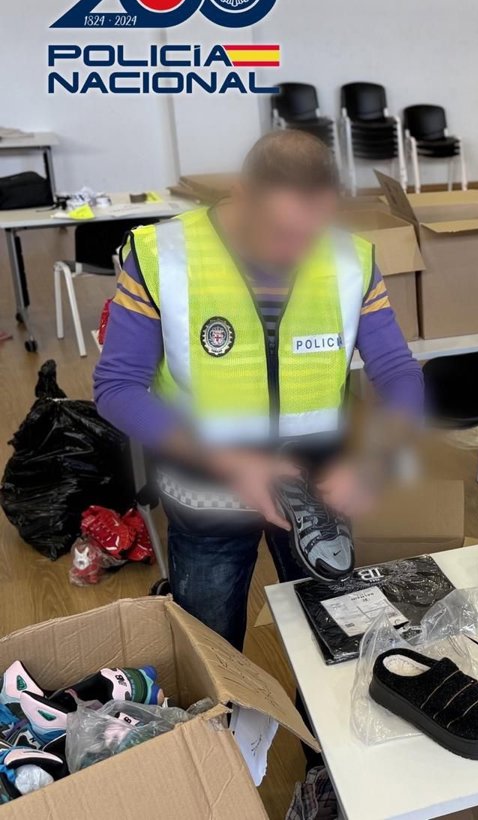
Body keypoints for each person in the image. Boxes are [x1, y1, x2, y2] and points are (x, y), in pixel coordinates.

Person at [94, 130, 423, 649]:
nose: (297, 252)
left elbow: (399, 372)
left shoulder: (350, 258)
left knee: (336, 647)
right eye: (281, 231)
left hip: (315, 500)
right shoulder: (163, 255)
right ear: (241, 196)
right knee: (212, 652)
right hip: (206, 490)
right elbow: (116, 386)